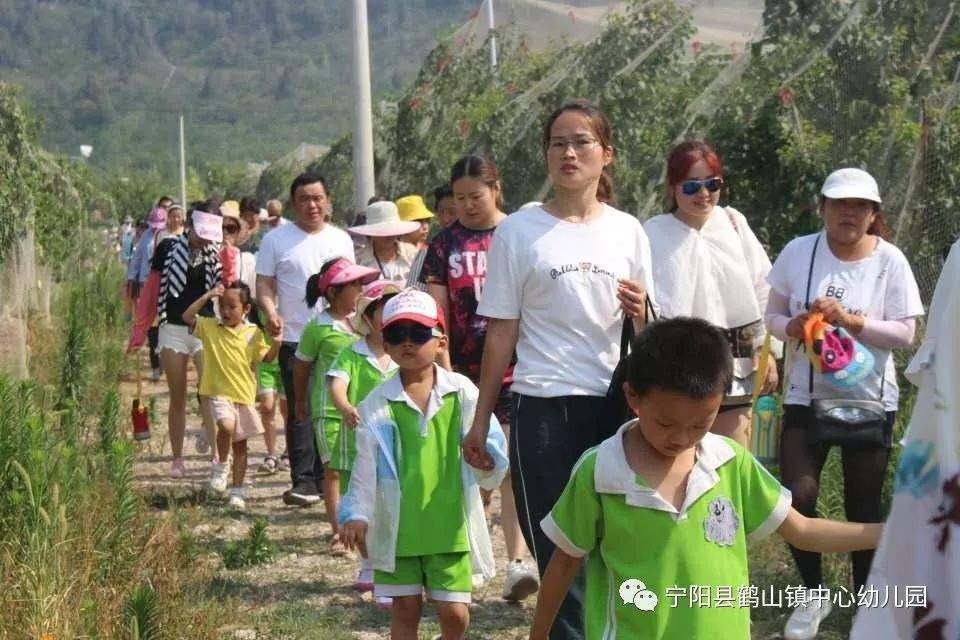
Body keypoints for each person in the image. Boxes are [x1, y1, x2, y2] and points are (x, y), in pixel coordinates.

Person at [528, 317, 883, 639]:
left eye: (700, 424)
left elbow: (802, 532)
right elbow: (565, 562)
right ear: (633, 396)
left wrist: (889, 533)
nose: (681, 438)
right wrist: (540, 635)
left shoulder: (730, 463)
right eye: (665, 424)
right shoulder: (601, 471)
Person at [463, 100, 656, 640]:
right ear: (546, 154)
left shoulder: (628, 231)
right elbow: (501, 331)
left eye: (582, 142)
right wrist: (481, 422)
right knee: (557, 546)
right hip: (542, 404)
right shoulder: (519, 232)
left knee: (616, 538)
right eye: (557, 143)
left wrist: (644, 315)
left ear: (606, 155)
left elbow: (644, 334)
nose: (569, 153)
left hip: (614, 407)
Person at [764, 167, 923, 640]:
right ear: (823, 208)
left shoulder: (890, 261)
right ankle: (812, 594)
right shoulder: (798, 251)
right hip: (804, 397)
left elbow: (906, 332)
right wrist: (791, 326)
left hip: (869, 398)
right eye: (839, 203)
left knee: (863, 505)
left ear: (874, 214)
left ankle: (866, 604)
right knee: (798, 495)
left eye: (860, 205)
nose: (849, 213)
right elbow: (772, 314)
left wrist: (852, 321)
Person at [340, 290, 508, 640]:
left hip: (449, 527)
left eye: (418, 334)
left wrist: (486, 459)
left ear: (441, 341)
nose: (407, 343)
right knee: (404, 611)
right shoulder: (375, 404)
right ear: (384, 343)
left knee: (455, 612)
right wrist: (356, 513)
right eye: (396, 335)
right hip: (397, 530)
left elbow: (491, 448)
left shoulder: (463, 393)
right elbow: (364, 466)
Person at [421, 154, 539, 602]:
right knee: (471, 465)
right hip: (463, 372)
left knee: (510, 466)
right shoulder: (442, 246)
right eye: (459, 198)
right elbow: (437, 311)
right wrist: (445, 373)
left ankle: (516, 563)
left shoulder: (520, 235)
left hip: (518, 368)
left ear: (497, 189)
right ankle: (468, 558)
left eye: (477, 195)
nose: (469, 205)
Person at [644, 140, 779, 446]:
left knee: (733, 459)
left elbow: (763, 285)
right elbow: (647, 303)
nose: (703, 194)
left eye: (712, 184)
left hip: (739, 365)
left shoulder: (733, 222)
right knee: (681, 458)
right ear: (672, 187)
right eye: (691, 186)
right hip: (678, 367)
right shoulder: (653, 232)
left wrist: (768, 349)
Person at [256, 173, 356, 507]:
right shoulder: (276, 240)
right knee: (300, 406)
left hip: (336, 338)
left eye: (317, 198)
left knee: (331, 406)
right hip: (294, 338)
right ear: (293, 203)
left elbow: (350, 286)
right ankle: (304, 481)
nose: (312, 205)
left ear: (328, 200)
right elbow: (265, 283)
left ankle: (328, 476)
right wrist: (271, 311)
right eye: (304, 199)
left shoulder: (341, 240)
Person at [127, 208, 223, 478]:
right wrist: (140, 330)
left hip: (204, 327)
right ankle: (178, 457)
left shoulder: (215, 253)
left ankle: (217, 455)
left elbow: (224, 295)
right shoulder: (167, 248)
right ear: (191, 226)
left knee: (209, 393)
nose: (206, 240)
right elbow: (151, 291)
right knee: (178, 395)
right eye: (202, 234)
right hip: (172, 328)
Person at [293, 257, 379, 543]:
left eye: (360, 283)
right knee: (333, 470)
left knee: (359, 466)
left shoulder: (367, 324)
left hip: (362, 410)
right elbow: (302, 367)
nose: (360, 289)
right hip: (328, 410)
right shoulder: (318, 328)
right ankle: (338, 532)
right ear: (333, 292)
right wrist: (299, 403)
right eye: (354, 284)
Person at [325, 279, 400, 592]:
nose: (390, 319)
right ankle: (369, 562)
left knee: (392, 501)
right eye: (384, 312)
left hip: (397, 441)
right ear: (368, 319)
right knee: (359, 502)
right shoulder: (351, 354)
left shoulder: (404, 353)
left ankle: (393, 560)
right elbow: (337, 385)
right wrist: (345, 406)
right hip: (360, 441)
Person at [182, 282, 281, 510]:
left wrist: (277, 343)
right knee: (225, 426)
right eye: (222, 306)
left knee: (241, 446)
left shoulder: (253, 333)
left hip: (244, 396)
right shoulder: (209, 326)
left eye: (232, 307)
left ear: (246, 309)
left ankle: (237, 491)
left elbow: (266, 359)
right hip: (218, 392)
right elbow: (187, 316)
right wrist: (207, 295)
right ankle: (221, 467)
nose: (225, 311)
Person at [127, 205, 168, 381]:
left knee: (166, 326)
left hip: (166, 286)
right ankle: (155, 366)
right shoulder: (145, 237)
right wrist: (131, 278)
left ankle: (167, 363)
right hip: (146, 284)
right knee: (151, 327)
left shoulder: (170, 237)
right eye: (153, 224)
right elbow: (137, 260)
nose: (155, 228)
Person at [349, 201, 421, 283]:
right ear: (371, 233)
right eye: (382, 231)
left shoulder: (413, 254)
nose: (388, 235)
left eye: (391, 230)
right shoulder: (357, 260)